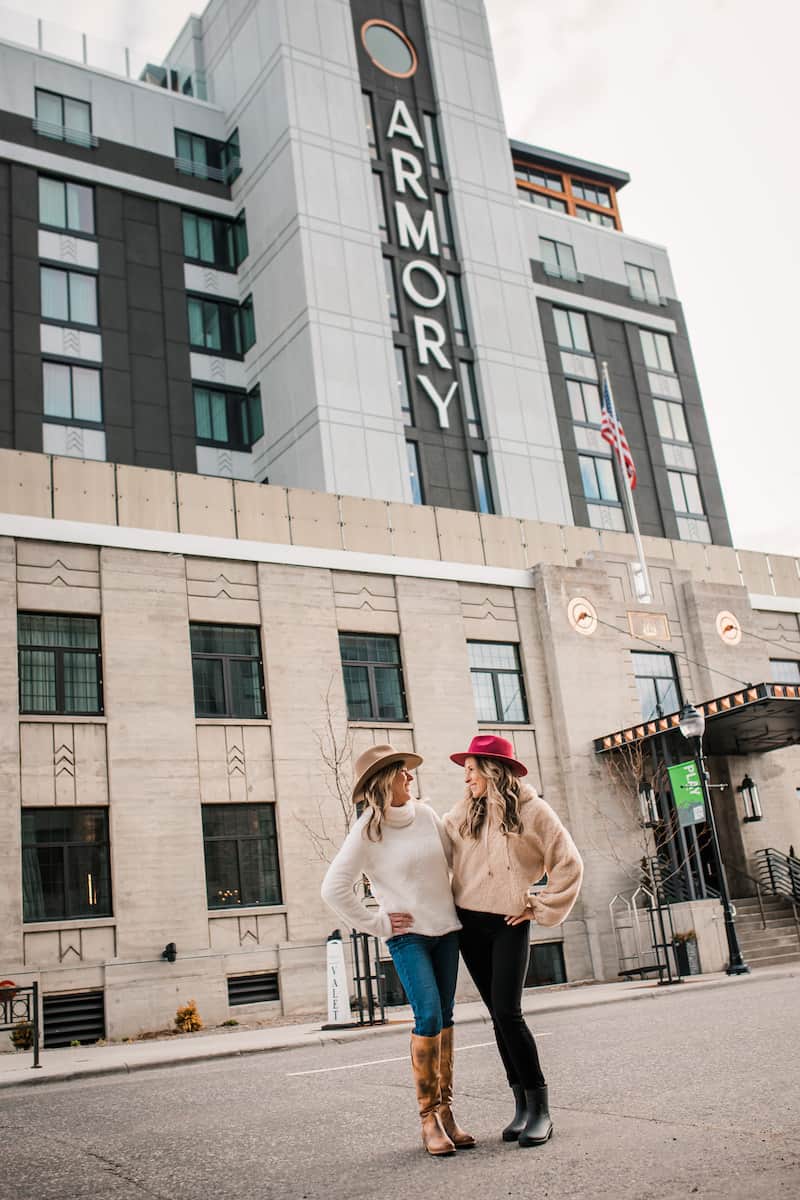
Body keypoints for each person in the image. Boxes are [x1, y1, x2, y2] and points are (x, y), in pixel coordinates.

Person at [321, 743, 475, 1156]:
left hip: (446, 931)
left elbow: (455, 861)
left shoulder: (425, 816)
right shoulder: (368, 829)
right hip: (408, 939)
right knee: (427, 1016)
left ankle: (447, 1114)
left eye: (408, 771)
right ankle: (428, 1119)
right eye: (402, 771)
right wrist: (379, 922)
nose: (410, 776)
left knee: (445, 1017)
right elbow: (333, 888)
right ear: (384, 780)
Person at [443, 734, 583, 1148]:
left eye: (470, 770)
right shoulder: (465, 811)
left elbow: (569, 863)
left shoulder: (533, 811)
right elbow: (433, 846)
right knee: (496, 1016)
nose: (465, 778)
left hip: (508, 923)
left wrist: (538, 905)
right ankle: (520, 1105)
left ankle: (541, 1108)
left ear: (489, 769)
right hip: (469, 923)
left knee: (509, 1012)